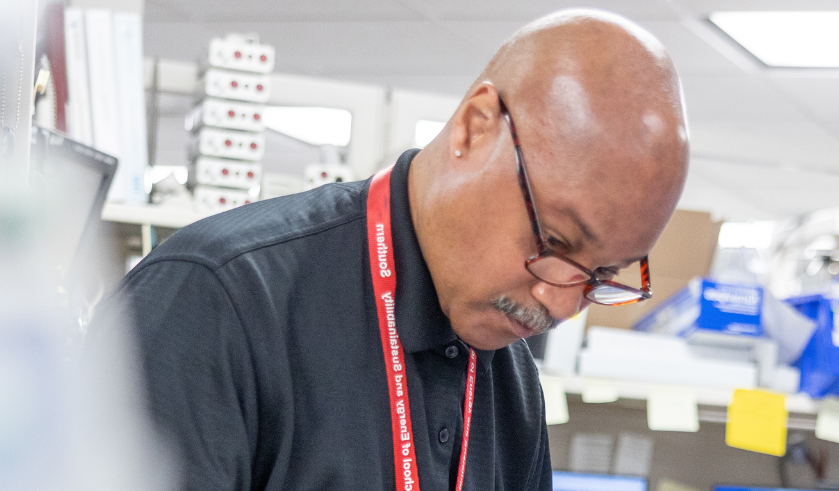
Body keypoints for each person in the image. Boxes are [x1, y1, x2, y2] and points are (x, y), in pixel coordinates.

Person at [98, 9, 688, 491]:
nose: (559, 305)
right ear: (476, 128)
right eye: (554, 242)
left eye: (601, 277)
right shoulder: (216, 303)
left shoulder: (512, 386)